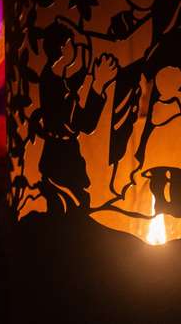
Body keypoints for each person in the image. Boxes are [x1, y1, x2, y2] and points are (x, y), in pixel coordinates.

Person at [28, 21, 119, 214]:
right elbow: (85, 124)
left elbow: (69, 83)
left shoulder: (50, 78)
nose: (77, 50)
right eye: (72, 45)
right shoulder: (58, 89)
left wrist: (86, 74)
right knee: (76, 206)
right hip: (62, 161)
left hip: (57, 157)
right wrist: (99, 85)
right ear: (61, 49)